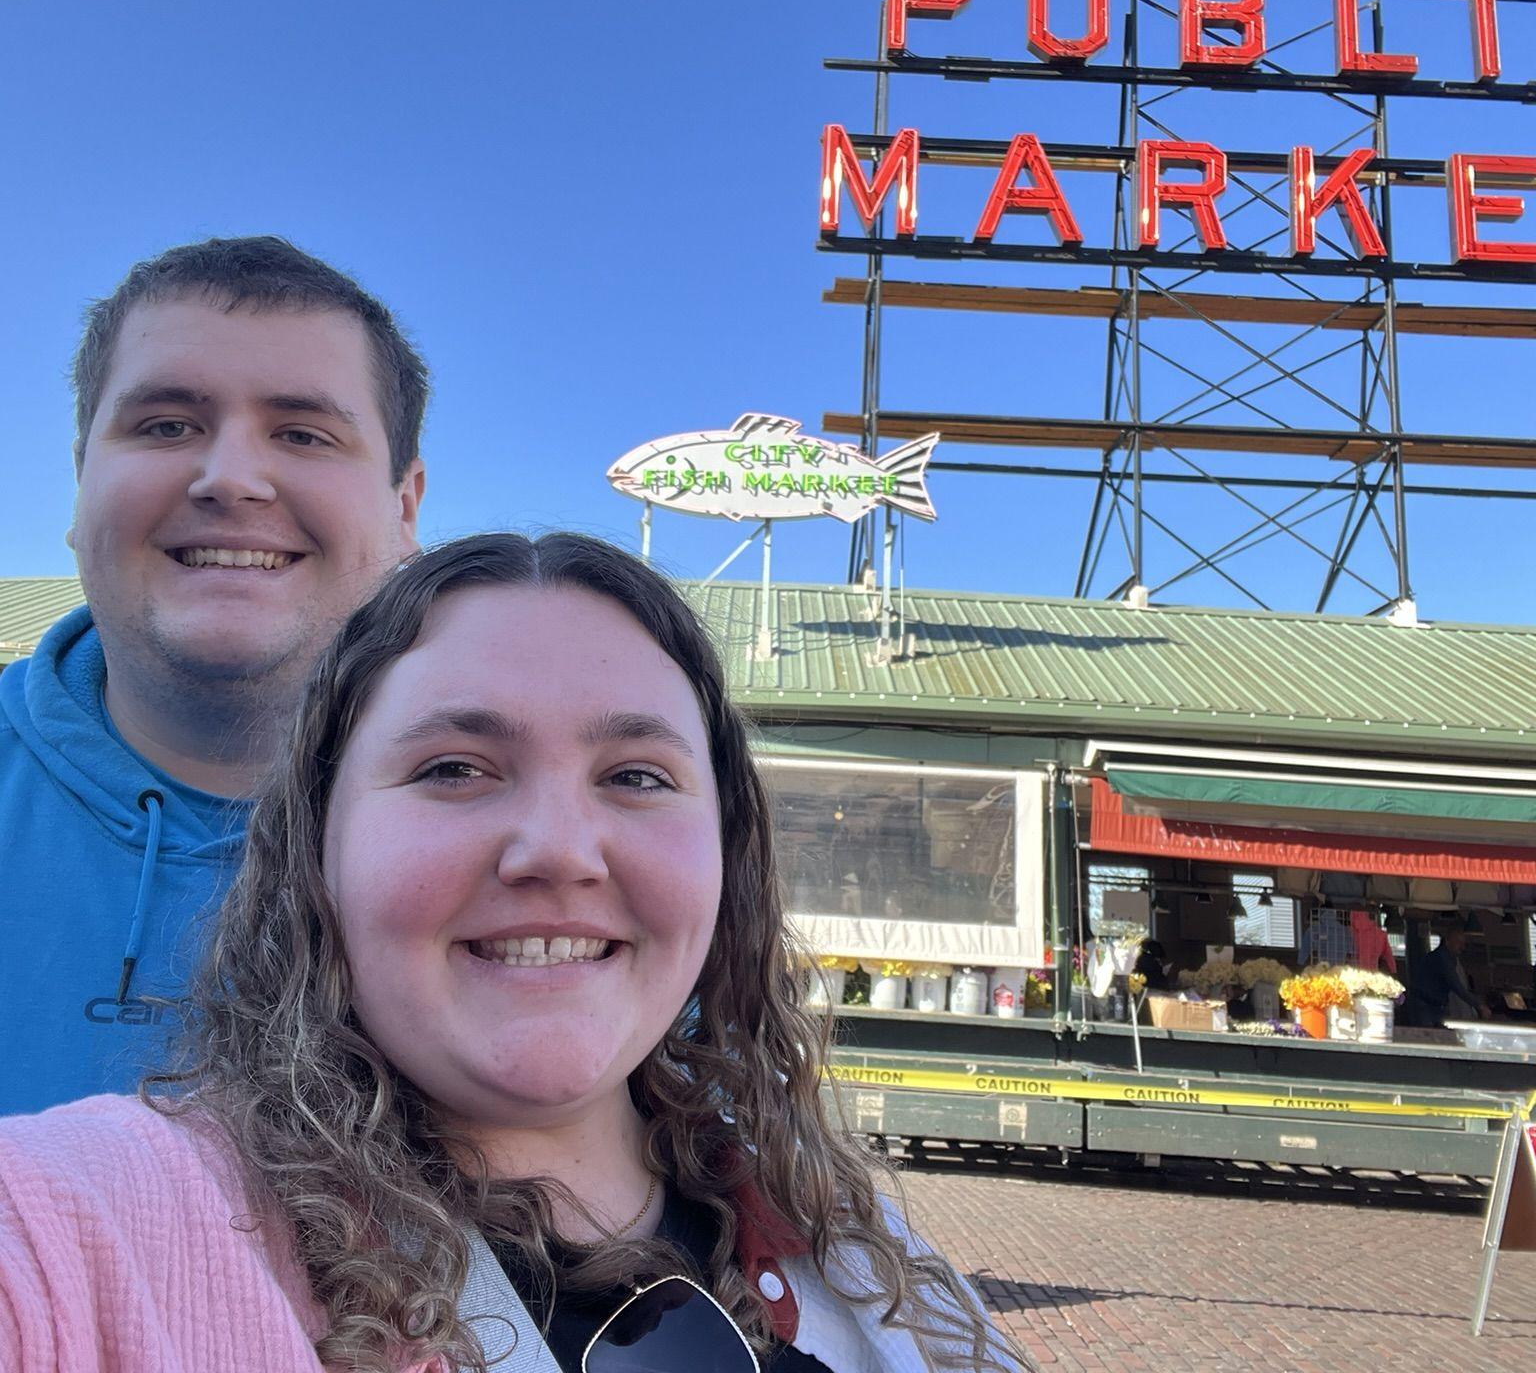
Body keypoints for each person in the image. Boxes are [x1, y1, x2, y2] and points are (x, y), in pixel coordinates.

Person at [0, 533, 1027, 1373]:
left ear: (728, 857)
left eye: (636, 777)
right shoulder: (86, 1230)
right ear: (318, 849)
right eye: (455, 767)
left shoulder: (849, 1240)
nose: (559, 852)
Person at [0, 236, 429, 1116]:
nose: (231, 478)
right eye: (166, 425)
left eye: (304, 433)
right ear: (81, 480)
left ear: (405, 508)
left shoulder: (545, 843)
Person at [1410, 921, 1484, 1027]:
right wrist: (1479, 1005)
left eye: (1463, 944)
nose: (1462, 947)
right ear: (1448, 941)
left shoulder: (1449, 958)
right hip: (1425, 1006)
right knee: (1427, 1037)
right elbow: (1456, 986)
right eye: (1459, 943)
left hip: (1436, 1006)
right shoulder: (1442, 958)